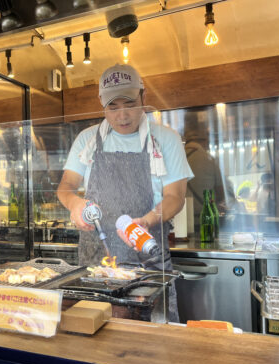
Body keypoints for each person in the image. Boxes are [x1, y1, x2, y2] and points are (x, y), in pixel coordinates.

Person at [57, 64, 193, 322]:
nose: (122, 116)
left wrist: (148, 220)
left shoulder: (166, 139)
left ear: (144, 96)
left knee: (153, 345)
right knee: (93, 338)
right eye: (113, 107)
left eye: (129, 104)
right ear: (101, 103)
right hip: (95, 267)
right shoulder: (86, 140)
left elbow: (175, 196)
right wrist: (75, 204)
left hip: (147, 264)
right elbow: (66, 187)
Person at [183, 113, 225, 218]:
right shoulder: (209, 159)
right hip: (205, 219)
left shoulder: (175, 158)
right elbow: (220, 194)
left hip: (181, 221)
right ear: (205, 140)